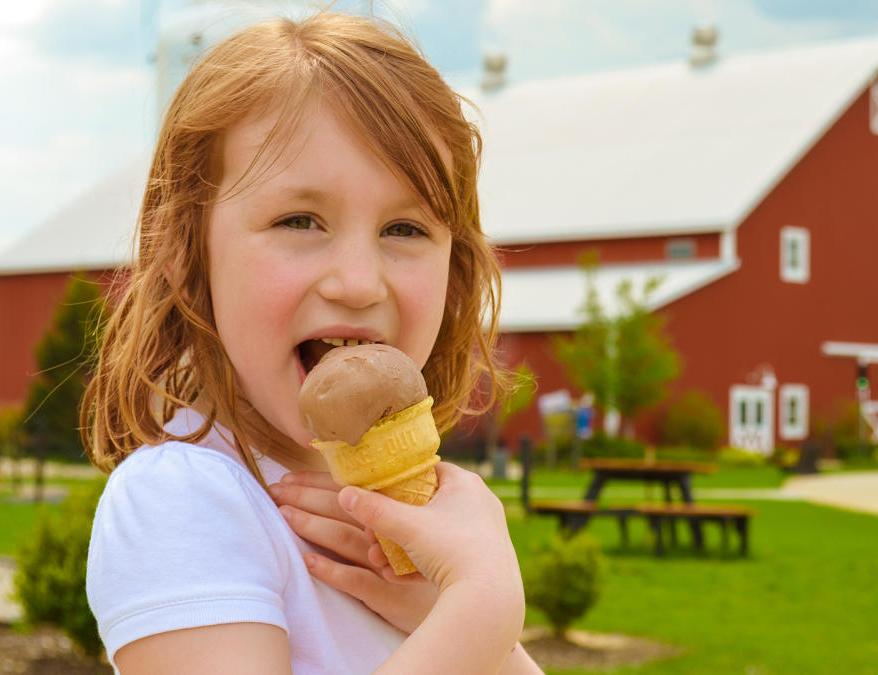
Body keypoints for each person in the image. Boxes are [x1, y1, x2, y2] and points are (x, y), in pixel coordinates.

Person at [83, 12, 542, 674]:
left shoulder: (405, 541)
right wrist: (481, 607)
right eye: (299, 220)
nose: (359, 283)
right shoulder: (179, 499)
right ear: (185, 252)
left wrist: (446, 610)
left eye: (405, 228)